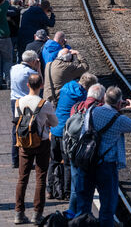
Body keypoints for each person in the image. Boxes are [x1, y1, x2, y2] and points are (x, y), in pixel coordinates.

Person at [75, 86, 131, 226]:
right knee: (107, 205)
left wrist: (118, 106)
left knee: (83, 203)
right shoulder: (119, 120)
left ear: (104, 98)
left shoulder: (91, 111)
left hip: (86, 162)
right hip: (106, 166)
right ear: (119, 103)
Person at [14, 74, 58, 225]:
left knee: (22, 178)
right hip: (42, 143)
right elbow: (55, 122)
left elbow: (17, 121)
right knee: (40, 177)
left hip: (24, 143)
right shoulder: (44, 104)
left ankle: (19, 213)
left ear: (27, 85)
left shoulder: (18, 102)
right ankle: (37, 214)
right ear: (41, 86)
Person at [47, 73, 98, 201]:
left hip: (55, 129)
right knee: (68, 164)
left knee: (53, 161)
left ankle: (50, 189)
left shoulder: (66, 87)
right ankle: (67, 191)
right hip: (67, 132)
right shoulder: (82, 96)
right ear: (89, 87)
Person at [66, 83, 105, 218]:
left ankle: (71, 213)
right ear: (101, 98)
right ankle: (83, 216)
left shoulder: (76, 107)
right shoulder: (99, 109)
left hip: (74, 151)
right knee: (87, 188)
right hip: (88, 154)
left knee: (75, 186)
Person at [10, 50, 42, 169]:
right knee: (29, 128)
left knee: (16, 128)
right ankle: (27, 157)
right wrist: (38, 68)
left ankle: (15, 158)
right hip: (27, 102)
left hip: (14, 101)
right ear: (33, 61)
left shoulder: (13, 68)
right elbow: (41, 83)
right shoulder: (31, 72)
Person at [8, 0, 23, 64]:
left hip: (9, 34)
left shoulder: (7, 9)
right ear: (19, 1)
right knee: (19, 52)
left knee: (10, 52)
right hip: (18, 33)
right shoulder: (21, 10)